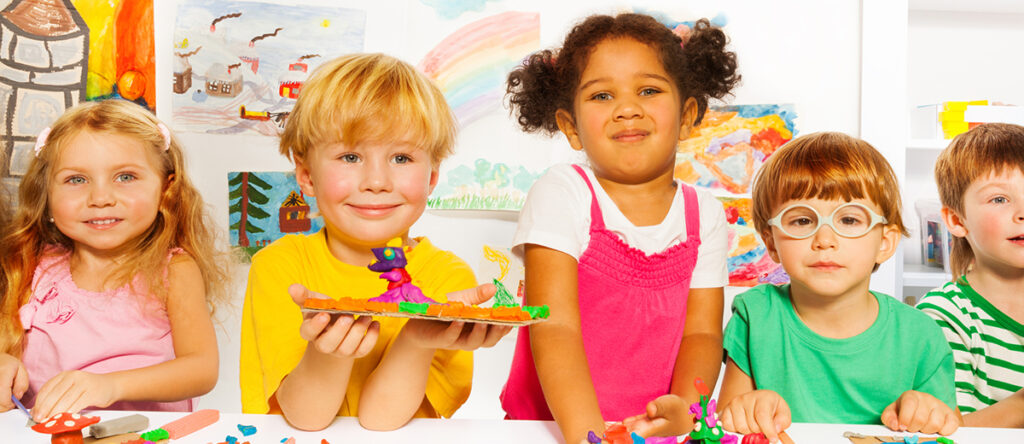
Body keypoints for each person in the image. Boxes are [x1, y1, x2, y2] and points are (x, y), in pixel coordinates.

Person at [499, 13, 739, 443]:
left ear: (687, 115)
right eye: (602, 95)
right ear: (571, 127)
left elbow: (702, 333)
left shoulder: (704, 212)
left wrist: (687, 415)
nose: (627, 109)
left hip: (651, 433)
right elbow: (554, 326)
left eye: (648, 90)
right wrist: (587, 435)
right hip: (554, 429)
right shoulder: (562, 193)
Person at [239, 53, 511, 432]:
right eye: (350, 156)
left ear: (432, 177)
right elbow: (304, 418)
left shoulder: (447, 279)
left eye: (401, 157)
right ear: (307, 176)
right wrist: (326, 352)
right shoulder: (281, 269)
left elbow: (382, 423)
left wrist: (418, 336)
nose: (377, 181)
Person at [718, 132, 960, 442]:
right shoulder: (756, 315)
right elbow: (727, 423)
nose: (825, 240)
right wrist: (747, 409)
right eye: (802, 221)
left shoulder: (920, 335)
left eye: (849, 220)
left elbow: (952, 430)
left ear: (885, 243)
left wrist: (929, 413)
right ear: (771, 243)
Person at [0, 100, 231, 421]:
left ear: (166, 189)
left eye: (125, 177)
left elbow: (201, 369)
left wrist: (108, 387)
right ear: (46, 195)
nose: (101, 198)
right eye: (76, 180)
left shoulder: (174, 271)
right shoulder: (30, 265)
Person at [916, 123, 1024, 428]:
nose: (1022, 212)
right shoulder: (944, 315)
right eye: (999, 199)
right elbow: (949, 431)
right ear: (956, 220)